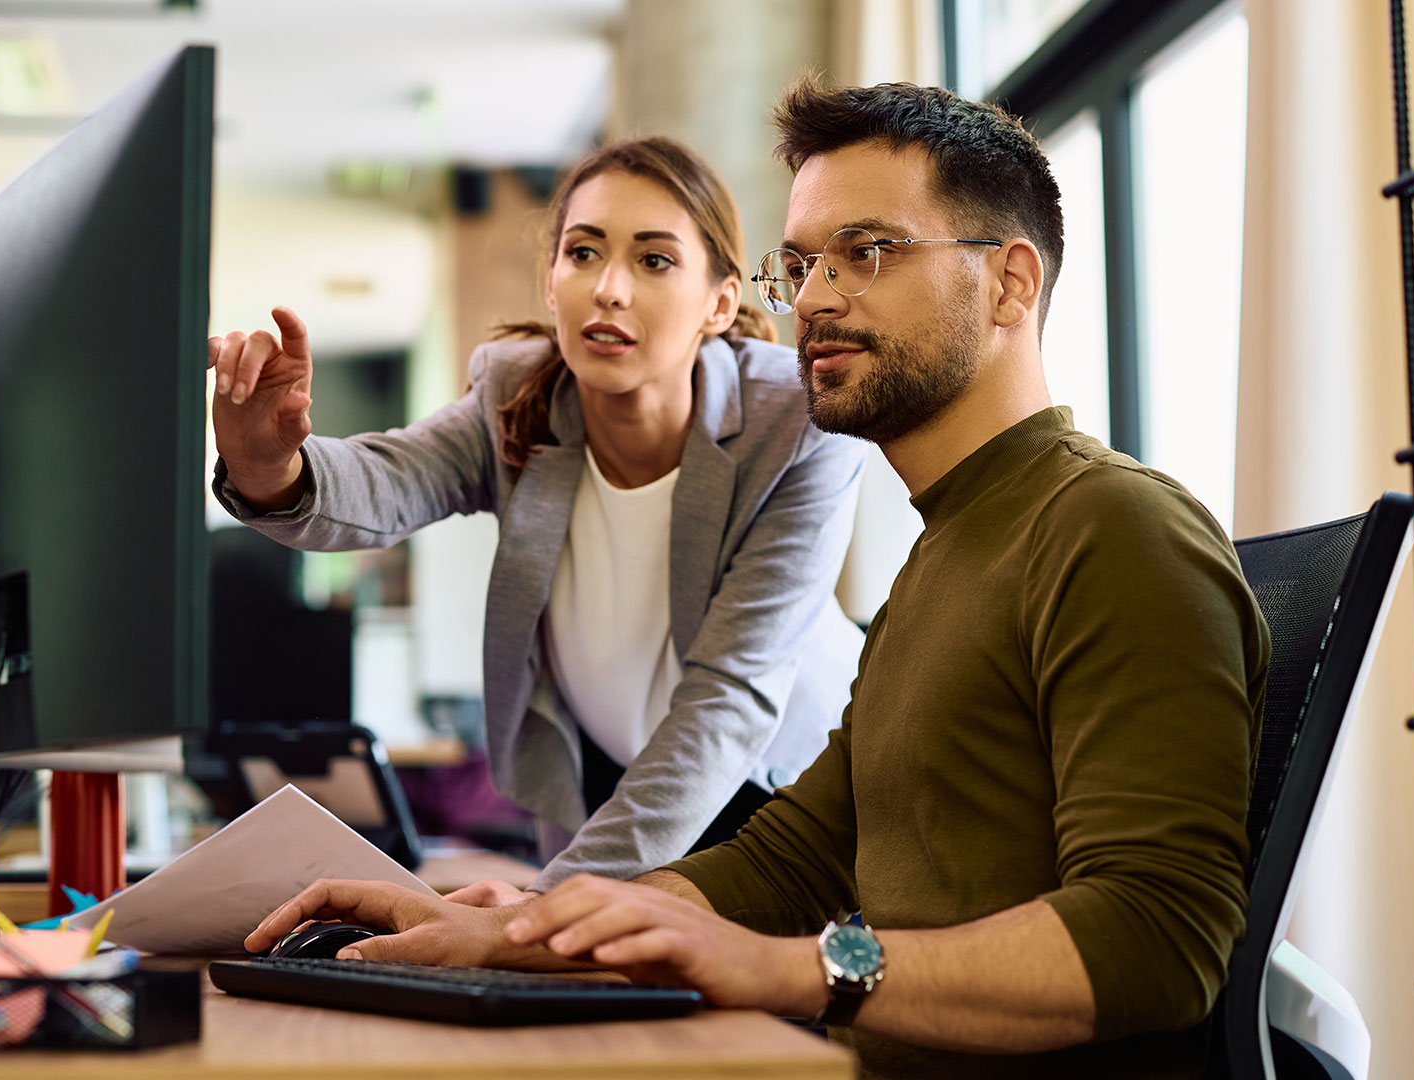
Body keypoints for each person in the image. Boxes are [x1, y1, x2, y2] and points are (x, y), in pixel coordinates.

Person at [246, 79, 1269, 1079]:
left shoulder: (1112, 525)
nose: (816, 297)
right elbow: (795, 858)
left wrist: (799, 968)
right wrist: (533, 926)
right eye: (805, 263)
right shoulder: (940, 558)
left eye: (866, 253)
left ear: (1010, 283)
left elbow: (1158, 941)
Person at [208, 136, 866, 893]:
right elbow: (390, 479)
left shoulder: (795, 423)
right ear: (552, 284)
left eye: (654, 261)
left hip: (784, 800)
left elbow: (730, 699)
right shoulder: (517, 397)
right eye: (582, 253)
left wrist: (544, 906)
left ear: (719, 303)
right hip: (609, 795)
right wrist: (271, 467)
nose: (608, 288)